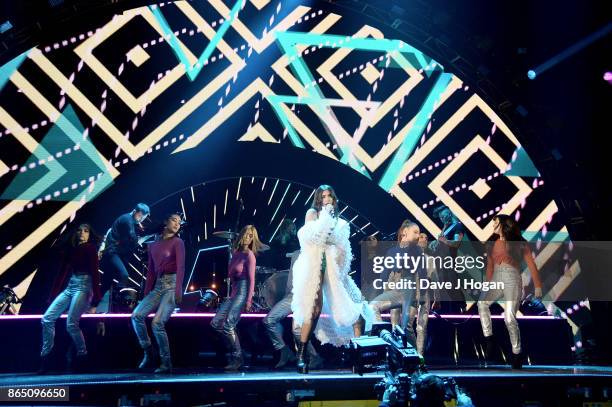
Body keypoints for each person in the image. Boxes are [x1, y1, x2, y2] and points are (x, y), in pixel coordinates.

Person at [291, 185, 374, 374]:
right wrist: (326, 216)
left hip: (335, 270)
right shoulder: (313, 214)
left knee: (356, 311)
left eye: (330, 196)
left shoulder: (340, 222)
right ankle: (302, 356)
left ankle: (358, 358)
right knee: (313, 311)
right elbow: (312, 237)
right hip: (315, 266)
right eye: (323, 196)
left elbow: (343, 248)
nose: (327, 199)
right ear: (319, 199)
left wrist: (341, 270)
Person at [477, 214, 543, 369]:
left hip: (512, 278)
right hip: (496, 278)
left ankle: (517, 352)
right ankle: (489, 339)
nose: (492, 226)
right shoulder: (492, 243)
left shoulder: (519, 243)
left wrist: (538, 285)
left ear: (502, 224)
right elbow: (490, 267)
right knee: (482, 303)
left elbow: (531, 264)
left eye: (495, 223)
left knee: (509, 317)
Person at [40, 223, 101, 373]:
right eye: (80, 231)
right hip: (71, 285)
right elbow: (62, 272)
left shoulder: (90, 248)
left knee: (71, 324)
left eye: (86, 231)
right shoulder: (72, 250)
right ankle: (46, 357)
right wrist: (53, 295)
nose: (82, 233)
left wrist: (96, 299)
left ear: (89, 234)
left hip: (84, 286)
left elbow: (95, 271)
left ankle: (82, 355)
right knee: (47, 319)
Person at [262, 220, 323, 369]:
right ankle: (285, 351)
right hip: (291, 295)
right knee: (269, 320)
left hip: (305, 297)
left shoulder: (316, 255)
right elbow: (277, 256)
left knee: (297, 330)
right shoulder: (296, 253)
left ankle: (314, 356)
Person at [131, 213, 185, 373]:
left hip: (173, 284)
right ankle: (149, 352)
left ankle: (166, 362)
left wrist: (178, 290)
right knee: (136, 316)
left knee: (157, 323)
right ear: (165, 222)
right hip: (158, 286)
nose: (177, 224)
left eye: (179, 222)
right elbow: (151, 274)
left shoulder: (178, 242)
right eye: (174, 220)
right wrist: (145, 295)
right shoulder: (153, 245)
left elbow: (181, 267)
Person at [211, 225, 263, 371]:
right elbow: (230, 274)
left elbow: (252, 280)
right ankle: (236, 350)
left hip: (243, 290)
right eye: (246, 234)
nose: (247, 237)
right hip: (234, 291)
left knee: (228, 325)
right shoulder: (236, 252)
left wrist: (248, 300)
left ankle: (237, 357)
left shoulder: (249, 255)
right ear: (241, 235)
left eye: (250, 236)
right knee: (215, 323)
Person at [370, 221, 425, 346]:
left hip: (410, 291)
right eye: (415, 232)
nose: (418, 236)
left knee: (406, 328)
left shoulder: (417, 250)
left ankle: (416, 359)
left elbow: (421, 274)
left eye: (419, 233)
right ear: (405, 232)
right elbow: (384, 273)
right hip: (395, 291)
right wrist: (385, 290)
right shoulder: (392, 251)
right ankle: (386, 339)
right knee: (372, 307)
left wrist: (421, 295)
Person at [99, 203, 150, 310]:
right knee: (124, 275)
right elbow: (132, 237)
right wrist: (139, 246)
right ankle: (119, 300)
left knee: (106, 282)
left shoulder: (127, 219)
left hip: (114, 253)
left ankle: (94, 305)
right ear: (139, 213)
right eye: (142, 218)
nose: (141, 221)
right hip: (112, 253)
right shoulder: (127, 220)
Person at [430, 205, 466, 313]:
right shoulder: (446, 227)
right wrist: (435, 243)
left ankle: (463, 308)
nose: (442, 218)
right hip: (440, 262)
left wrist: (443, 241)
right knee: (443, 286)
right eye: (440, 217)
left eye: (443, 215)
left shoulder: (458, 226)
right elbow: (441, 241)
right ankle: (442, 308)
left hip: (449, 262)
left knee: (452, 286)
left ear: (449, 213)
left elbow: (456, 244)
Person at [412, 233, 440, 356]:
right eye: (421, 237)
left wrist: (437, 298)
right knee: (406, 326)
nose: (424, 239)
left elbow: (435, 280)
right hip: (410, 295)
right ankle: (408, 356)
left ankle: (420, 357)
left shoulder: (430, 259)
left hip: (424, 295)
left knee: (421, 327)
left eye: (426, 238)